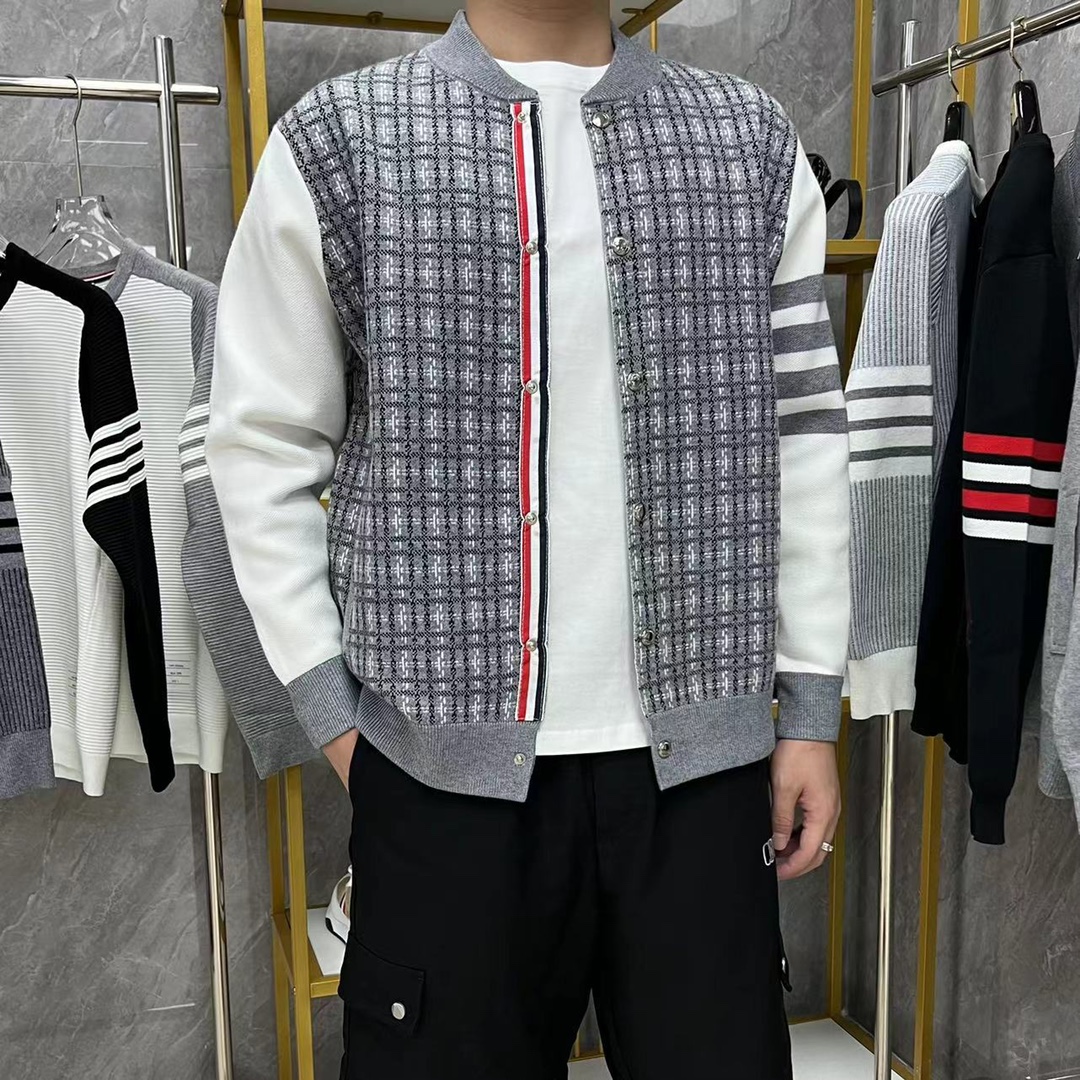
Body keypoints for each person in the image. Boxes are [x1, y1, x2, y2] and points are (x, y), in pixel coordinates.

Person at [207, 1, 850, 1076]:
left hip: (704, 780)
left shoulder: (750, 140)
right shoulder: (341, 140)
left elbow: (805, 438)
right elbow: (259, 447)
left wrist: (812, 708)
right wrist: (337, 719)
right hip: (435, 783)